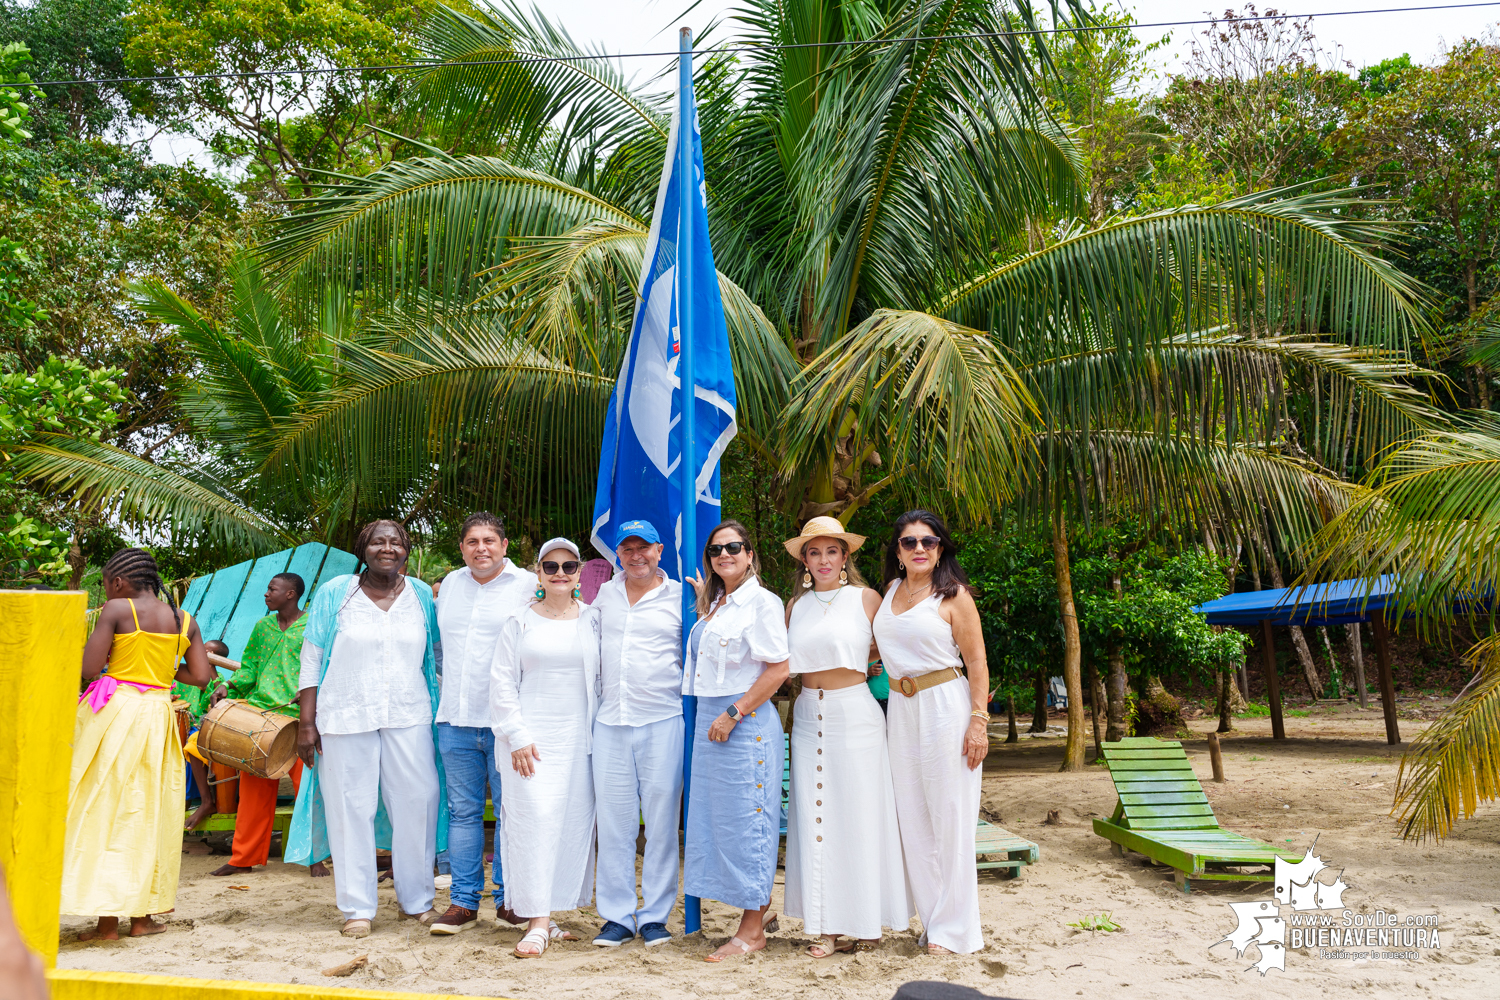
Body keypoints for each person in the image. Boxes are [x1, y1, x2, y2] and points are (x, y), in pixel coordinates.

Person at [286, 520, 448, 938]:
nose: (387, 548)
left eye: (396, 542)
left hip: (409, 713)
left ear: (406, 550)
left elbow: (435, 656)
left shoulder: (421, 596)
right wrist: (307, 723)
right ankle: (357, 908)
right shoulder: (336, 593)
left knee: (418, 802)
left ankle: (417, 903)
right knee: (350, 808)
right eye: (378, 541)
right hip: (344, 715)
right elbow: (312, 655)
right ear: (363, 548)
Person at [63, 547, 215, 940]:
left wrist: (124, 660)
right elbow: (200, 676)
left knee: (104, 806)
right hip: (159, 715)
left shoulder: (116, 611)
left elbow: (88, 668)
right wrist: (161, 664)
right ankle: (142, 920)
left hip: (117, 713)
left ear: (117, 582)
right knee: (148, 810)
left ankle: (107, 924)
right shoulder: (184, 620)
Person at [781, 516, 913, 957]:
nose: (822, 559)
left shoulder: (867, 598)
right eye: (813, 551)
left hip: (855, 714)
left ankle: (866, 922)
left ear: (844, 556)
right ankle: (826, 925)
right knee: (816, 819)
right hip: (806, 716)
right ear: (804, 558)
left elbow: (892, 642)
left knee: (858, 816)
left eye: (831, 551)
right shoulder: (793, 607)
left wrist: (868, 658)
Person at [872, 511, 990, 955]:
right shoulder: (888, 593)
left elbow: (977, 662)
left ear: (941, 548)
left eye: (928, 540)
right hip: (900, 710)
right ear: (898, 552)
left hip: (946, 705)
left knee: (951, 819)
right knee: (914, 821)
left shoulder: (954, 595)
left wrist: (979, 720)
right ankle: (934, 922)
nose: (919, 548)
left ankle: (956, 931)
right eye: (908, 542)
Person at [683, 520, 790, 963]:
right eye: (715, 550)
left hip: (742, 722)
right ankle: (756, 913)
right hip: (711, 721)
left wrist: (734, 713)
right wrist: (706, 606)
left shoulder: (762, 603)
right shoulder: (719, 605)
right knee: (719, 824)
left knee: (750, 825)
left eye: (734, 547)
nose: (723, 554)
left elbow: (779, 668)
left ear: (750, 553)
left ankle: (752, 930)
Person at [489, 538, 600, 958]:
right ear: (538, 572)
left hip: (580, 741)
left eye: (568, 566)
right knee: (533, 824)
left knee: (569, 827)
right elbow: (501, 683)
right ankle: (534, 922)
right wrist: (516, 736)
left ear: (579, 572)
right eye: (550, 567)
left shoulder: (593, 619)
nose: (559, 574)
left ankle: (549, 915)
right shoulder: (518, 622)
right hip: (529, 742)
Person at [429, 512, 538, 935]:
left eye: (489, 540)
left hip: (506, 723)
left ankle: (510, 900)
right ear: (462, 548)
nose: (481, 548)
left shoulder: (529, 585)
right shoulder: (450, 586)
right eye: (472, 541)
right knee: (462, 813)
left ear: (504, 545)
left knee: (513, 812)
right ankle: (463, 903)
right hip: (454, 719)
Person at [589, 519, 682, 949]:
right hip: (610, 723)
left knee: (661, 824)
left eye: (643, 547)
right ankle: (617, 916)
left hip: (662, 720)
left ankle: (655, 916)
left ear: (659, 550)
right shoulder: (603, 595)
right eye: (627, 549)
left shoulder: (681, 596)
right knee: (614, 825)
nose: (636, 555)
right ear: (618, 554)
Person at [204, 573, 308, 876]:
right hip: (263, 717)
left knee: (310, 792)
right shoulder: (262, 627)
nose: (266, 593)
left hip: (301, 719)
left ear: (291, 594)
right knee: (253, 793)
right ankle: (243, 858)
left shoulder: (313, 625)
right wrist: (230, 686)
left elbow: (324, 663)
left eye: (272, 588)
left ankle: (315, 858)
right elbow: (249, 667)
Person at [180, 638, 229, 831]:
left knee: (192, 742)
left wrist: (211, 669)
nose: (201, 653)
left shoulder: (221, 680)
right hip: (177, 722)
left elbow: (217, 702)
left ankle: (196, 801)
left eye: (208, 652)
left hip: (202, 727)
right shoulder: (185, 671)